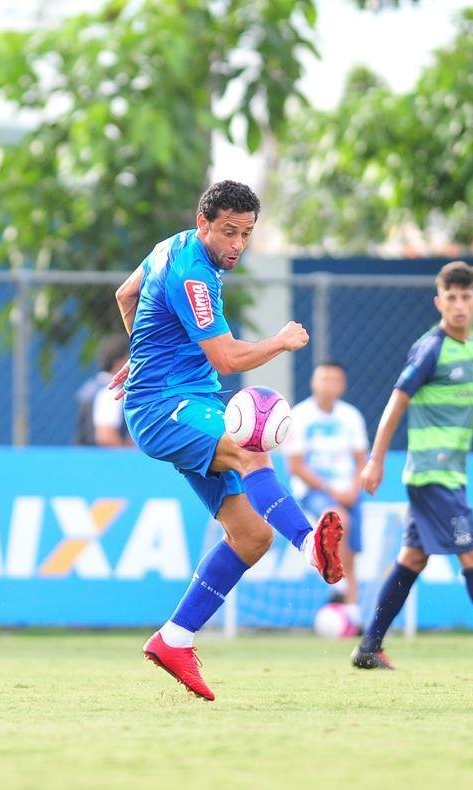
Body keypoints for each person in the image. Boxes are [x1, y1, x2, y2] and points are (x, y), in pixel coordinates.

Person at [110, 180, 344, 701]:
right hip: (165, 406)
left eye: (246, 234)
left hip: (188, 400)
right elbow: (228, 359)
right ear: (203, 224)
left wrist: (142, 351)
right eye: (228, 232)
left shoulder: (167, 247)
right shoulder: (194, 274)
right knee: (250, 446)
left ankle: (174, 638)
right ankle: (310, 546)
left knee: (251, 537)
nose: (237, 245)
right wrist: (281, 341)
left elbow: (126, 294)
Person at [354, 261, 473, 670]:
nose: (459, 305)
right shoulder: (431, 348)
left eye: (466, 298)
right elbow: (396, 401)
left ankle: (369, 647)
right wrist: (376, 461)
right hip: (432, 474)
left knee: (412, 558)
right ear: (438, 302)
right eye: (451, 298)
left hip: (447, 477)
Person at [284, 360, 369, 618]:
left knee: (351, 551)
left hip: (349, 491)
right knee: (338, 519)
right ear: (313, 383)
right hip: (314, 493)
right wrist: (334, 490)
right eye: (323, 379)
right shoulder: (299, 416)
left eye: (334, 380)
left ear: (342, 385)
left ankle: (351, 612)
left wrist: (354, 488)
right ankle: (339, 583)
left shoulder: (351, 416)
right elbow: (296, 467)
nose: (328, 385)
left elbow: (361, 461)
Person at [73, 335, 131, 446]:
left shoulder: (92, 386)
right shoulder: (110, 392)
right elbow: (106, 435)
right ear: (119, 363)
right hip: (102, 460)